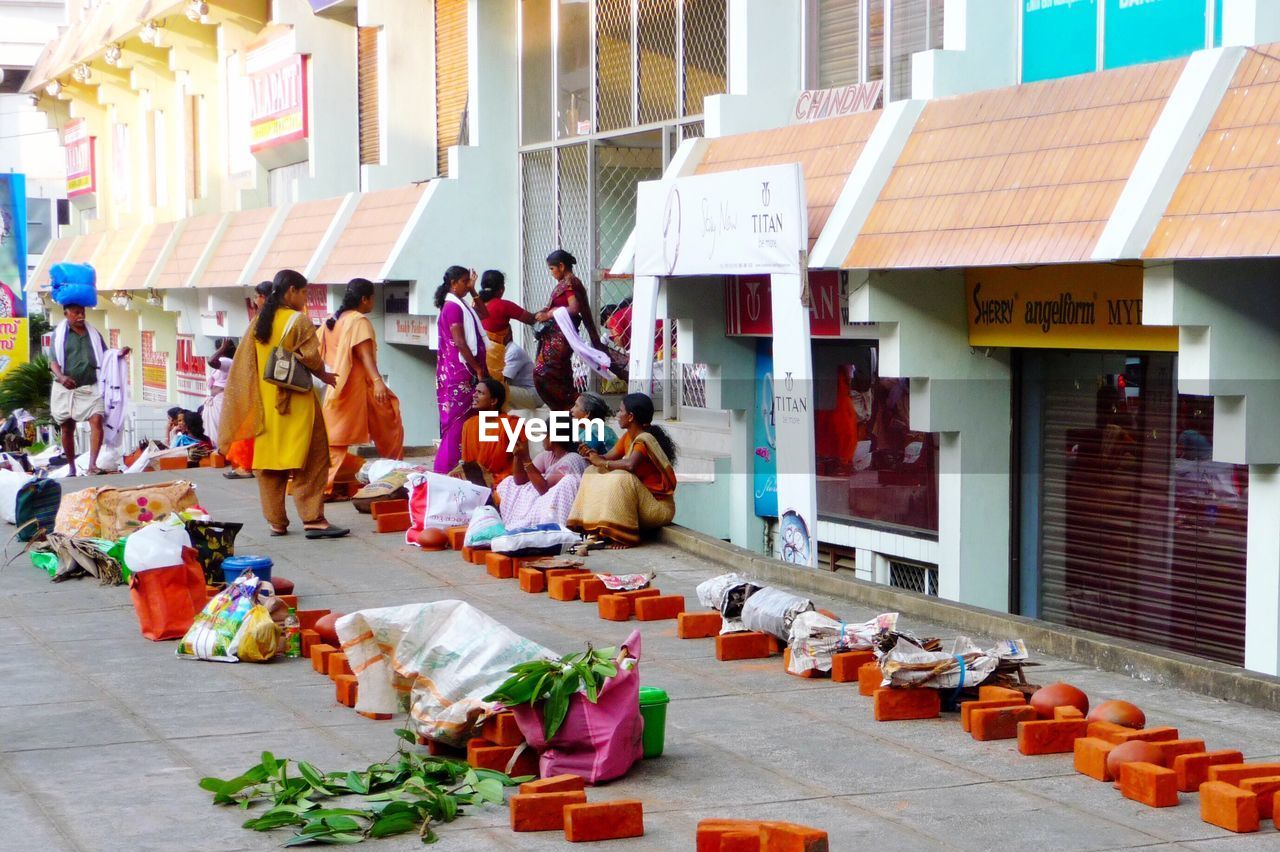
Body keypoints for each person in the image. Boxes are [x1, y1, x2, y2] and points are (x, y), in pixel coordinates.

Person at [219, 269, 348, 539]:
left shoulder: (258, 323)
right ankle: (313, 519)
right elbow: (312, 357)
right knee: (312, 459)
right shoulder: (298, 321)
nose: (305, 298)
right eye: (303, 292)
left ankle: (276, 521)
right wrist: (323, 374)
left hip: (267, 404)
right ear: (291, 291)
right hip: (297, 401)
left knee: (270, 465)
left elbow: (245, 364)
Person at [319, 278, 404, 489]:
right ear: (365, 299)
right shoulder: (358, 321)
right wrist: (378, 382)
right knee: (390, 422)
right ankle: (322, 485)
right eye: (373, 297)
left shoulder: (333, 320)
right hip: (359, 386)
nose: (373, 302)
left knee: (339, 438)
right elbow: (365, 355)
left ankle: (395, 473)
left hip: (339, 386)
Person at [568, 392, 677, 547]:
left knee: (622, 476)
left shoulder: (644, 439)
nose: (617, 414)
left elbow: (630, 465)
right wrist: (592, 455)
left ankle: (623, 536)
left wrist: (602, 462)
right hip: (638, 505)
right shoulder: (627, 437)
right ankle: (593, 530)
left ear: (631, 416)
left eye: (620, 411)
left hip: (658, 509)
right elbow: (606, 459)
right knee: (592, 471)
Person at [50, 302, 130, 476]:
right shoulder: (58, 335)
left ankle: (92, 465)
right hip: (65, 387)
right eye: (77, 313)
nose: (81, 316)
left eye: (83, 312)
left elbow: (106, 355)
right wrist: (62, 377)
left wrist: (119, 354)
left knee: (96, 420)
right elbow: (53, 362)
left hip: (91, 385)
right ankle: (71, 467)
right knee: (67, 427)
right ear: (66, 314)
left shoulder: (93, 334)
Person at [533, 249, 603, 412]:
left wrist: (549, 314)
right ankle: (566, 410)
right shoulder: (567, 283)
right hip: (556, 337)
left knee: (545, 373)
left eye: (552, 269)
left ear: (562, 266)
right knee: (557, 375)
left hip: (561, 338)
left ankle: (574, 407)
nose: (551, 273)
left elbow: (573, 308)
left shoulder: (570, 283)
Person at [434, 265, 488, 473]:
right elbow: (459, 341)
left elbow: (484, 313)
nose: (468, 285)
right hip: (461, 374)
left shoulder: (461, 304)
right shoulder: (452, 307)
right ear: (454, 283)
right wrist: (477, 369)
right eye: (465, 282)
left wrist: (474, 290)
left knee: (472, 422)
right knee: (457, 425)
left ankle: (468, 466)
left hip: (465, 373)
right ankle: (445, 470)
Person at [225, 281, 272, 478]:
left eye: (257, 296)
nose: (255, 300)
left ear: (264, 297)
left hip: (265, 382)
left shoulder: (265, 321)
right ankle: (248, 464)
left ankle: (248, 464)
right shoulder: (263, 319)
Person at [497, 432, 589, 529]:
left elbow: (544, 489)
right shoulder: (547, 456)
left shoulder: (572, 459)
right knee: (509, 482)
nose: (542, 439)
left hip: (552, 501)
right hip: (542, 496)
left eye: (544, 435)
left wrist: (526, 458)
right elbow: (520, 480)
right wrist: (517, 455)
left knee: (569, 480)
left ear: (551, 438)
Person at [477, 270, 536, 386]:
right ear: (502, 289)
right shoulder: (503, 305)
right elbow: (531, 319)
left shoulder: (474, 305)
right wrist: (547, 312)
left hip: (479, 357)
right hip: (497, 358)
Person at [455, 378, 517, 489]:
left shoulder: (512, 424)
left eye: (480, 393)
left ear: (493, 401)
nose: (474, 395)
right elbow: (466, 462)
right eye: (475, 391)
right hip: (472, 481)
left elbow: (519, 461)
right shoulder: (468, 424)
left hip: (503, 484)